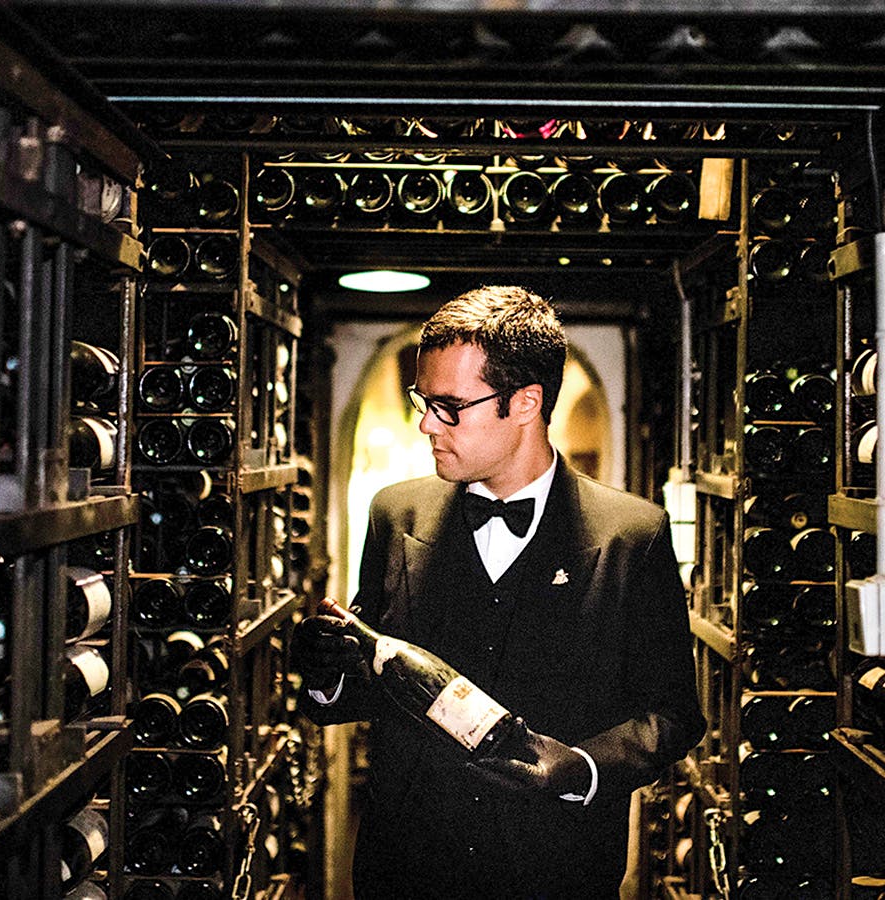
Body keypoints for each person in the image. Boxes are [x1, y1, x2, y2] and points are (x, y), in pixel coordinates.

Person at [295, 285, 705, 899]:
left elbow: (672, 715)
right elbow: (370, 691)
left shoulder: (632, 534)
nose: (426, 425)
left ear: (525, 404)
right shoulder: (394, 514)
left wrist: (583, 766)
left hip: (555, 871)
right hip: (406, 869)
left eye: (449, 407)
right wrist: (326, 674)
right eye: (421, 402)